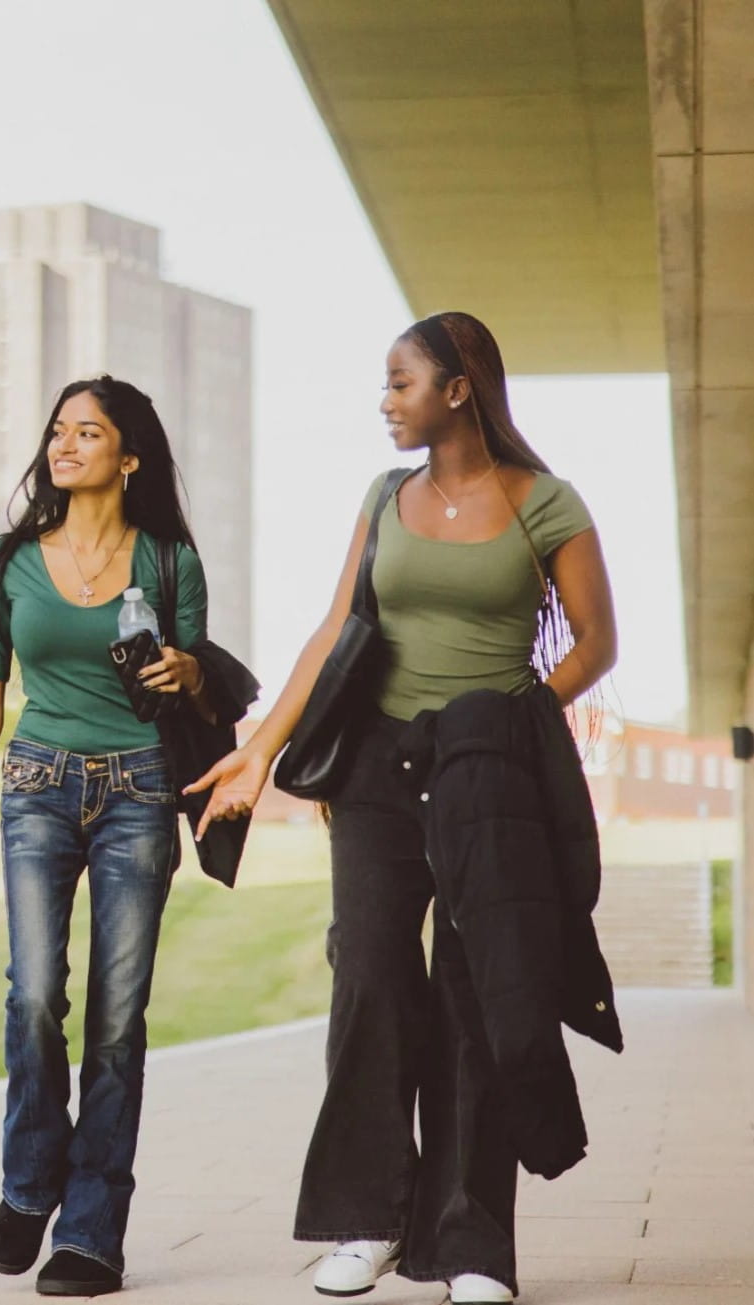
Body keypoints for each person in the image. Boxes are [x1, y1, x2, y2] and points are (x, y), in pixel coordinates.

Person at [188, 312, 619, 1305]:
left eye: (400, 381)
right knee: (370, 979)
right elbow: (335, 629)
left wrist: (515, 720)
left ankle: (472, 1245)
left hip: (487, 770)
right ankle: (366, 1219)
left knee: (474, 996)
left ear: (457, 389)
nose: (384, 401)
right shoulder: (385, 497)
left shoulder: (546, 502)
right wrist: (258, 750)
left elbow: (596, 641)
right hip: (376, 769)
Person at [0, 376, 212, 1297]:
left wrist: (186, 671)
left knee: (117, 1018)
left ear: (128, 456)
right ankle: (29, 1183)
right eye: (58, 430)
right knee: (33, 995)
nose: (64, 444)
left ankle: (91, 1232)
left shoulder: (170, 560)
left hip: (140, 786)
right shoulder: (7, 559)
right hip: (35, 785)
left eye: (87, 432)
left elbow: (199, 688)